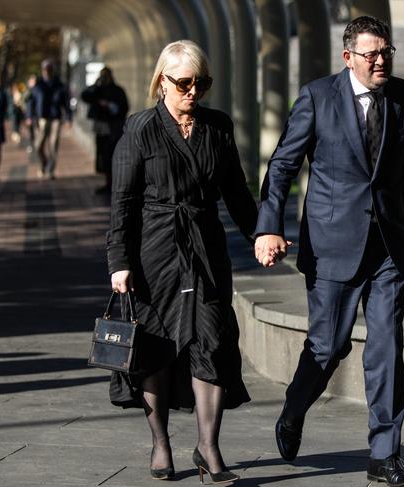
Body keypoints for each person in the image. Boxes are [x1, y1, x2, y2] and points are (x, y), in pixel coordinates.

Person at [255, 16, 404, 487]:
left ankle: (384, 455)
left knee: (387, 348)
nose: (381, 60)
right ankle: (293, 411)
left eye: (386, 51)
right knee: (329, 346)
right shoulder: (316, 97)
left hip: (388, 246)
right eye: (370, 54)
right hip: (332, 245)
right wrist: (269, 227)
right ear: (347, 57)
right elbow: (283, 164)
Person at [107, 40, 257, 482]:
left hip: (206, 251)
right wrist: (119, 260)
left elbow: (237, 194)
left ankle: (209, 448)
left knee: (211, 341)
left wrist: (263, 233)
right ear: (161, 82)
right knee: (154, 349)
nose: (194, 92)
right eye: (185, 83)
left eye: (202, 83)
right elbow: (122, 204)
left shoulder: (217, 127)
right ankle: (161, 443)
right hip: (152, 252)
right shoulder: (139, 129)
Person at [81, 66, 129, 193]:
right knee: (103, 155)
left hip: (113, 127)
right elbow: (85, 96)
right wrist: (95, 85)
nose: (104, 78)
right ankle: (108, 183)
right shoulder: (98, 90)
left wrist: (109, 105)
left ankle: (113, 183)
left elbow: (124, 107)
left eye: (105, 76)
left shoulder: (117, 91)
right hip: (101, 127)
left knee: (112, 155)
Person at [28, 59, 72, 179]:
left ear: (53, 70)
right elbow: (30, 101)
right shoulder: (38, 84)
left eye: (49, 69)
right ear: (42, 71)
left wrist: (68, 117)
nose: (47, 71)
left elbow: (66, 102)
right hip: (42, 118)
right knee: (38, 145)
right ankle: (44, 164)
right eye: (45, 69)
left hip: (55, 118)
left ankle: (50, 170)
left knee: (53, 144)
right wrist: (30, 116)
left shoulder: (59, 84)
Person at [24, 74, 38, 155]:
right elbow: (26, 100)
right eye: (32, 81)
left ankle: (35, 144)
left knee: (36, 130)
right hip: (30, 114)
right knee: (30, 131)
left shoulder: (38, 90)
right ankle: (31, 144)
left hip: (36, 115)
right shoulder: (29, 91)